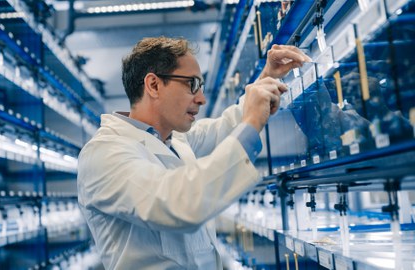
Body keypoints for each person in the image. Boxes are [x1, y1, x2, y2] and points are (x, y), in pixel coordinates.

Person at [77, 36, 310, 270]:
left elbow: (225, 127)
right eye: (192, 84)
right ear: (154, 85)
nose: (201, 98)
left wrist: (266, 80)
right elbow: (179, 203)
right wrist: (251, 123)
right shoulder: (103, 153)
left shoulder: (174, 139)